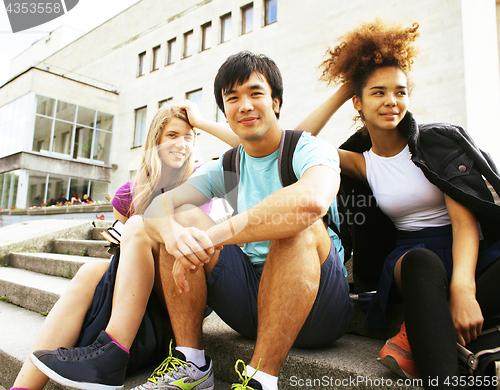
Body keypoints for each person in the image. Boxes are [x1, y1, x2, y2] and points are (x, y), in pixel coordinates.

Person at [297, 19, 500, 388]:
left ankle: (427, 335)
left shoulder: (434, 145)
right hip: (416, 260)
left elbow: (465, 223)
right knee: (423, 264)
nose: (392, 101)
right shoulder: (361, 161)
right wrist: (345, 88)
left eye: (400, 91)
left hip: (468, 251)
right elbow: (296, 142)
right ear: (358, 102)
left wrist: (463, 290)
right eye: (378, 92)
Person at [136, 51, 353, 390]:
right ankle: (191, 364)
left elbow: (309, 203)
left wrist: (215, 236)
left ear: (276, 102)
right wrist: (175, 236)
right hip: (251, 300)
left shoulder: (307, 149)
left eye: (255, 93)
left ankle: (260, 380)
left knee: (296, 224)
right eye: (233, 98)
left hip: (319, 307)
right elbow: (158, 206)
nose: (245, 106)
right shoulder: (228, 165)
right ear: (225, 111)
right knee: (180, 220)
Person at [11, 104, 236, 390]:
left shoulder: (202, 175)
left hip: (185, 286)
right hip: (143, 291)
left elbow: (254, 148)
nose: (182, 144)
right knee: (89, 271)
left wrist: (201, 122)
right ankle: (24, 387)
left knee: (142, 223)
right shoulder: (129, 193)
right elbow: (129, 256)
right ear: (156, 139)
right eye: (172, 135)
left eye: (189, 138)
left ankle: (113, 350)